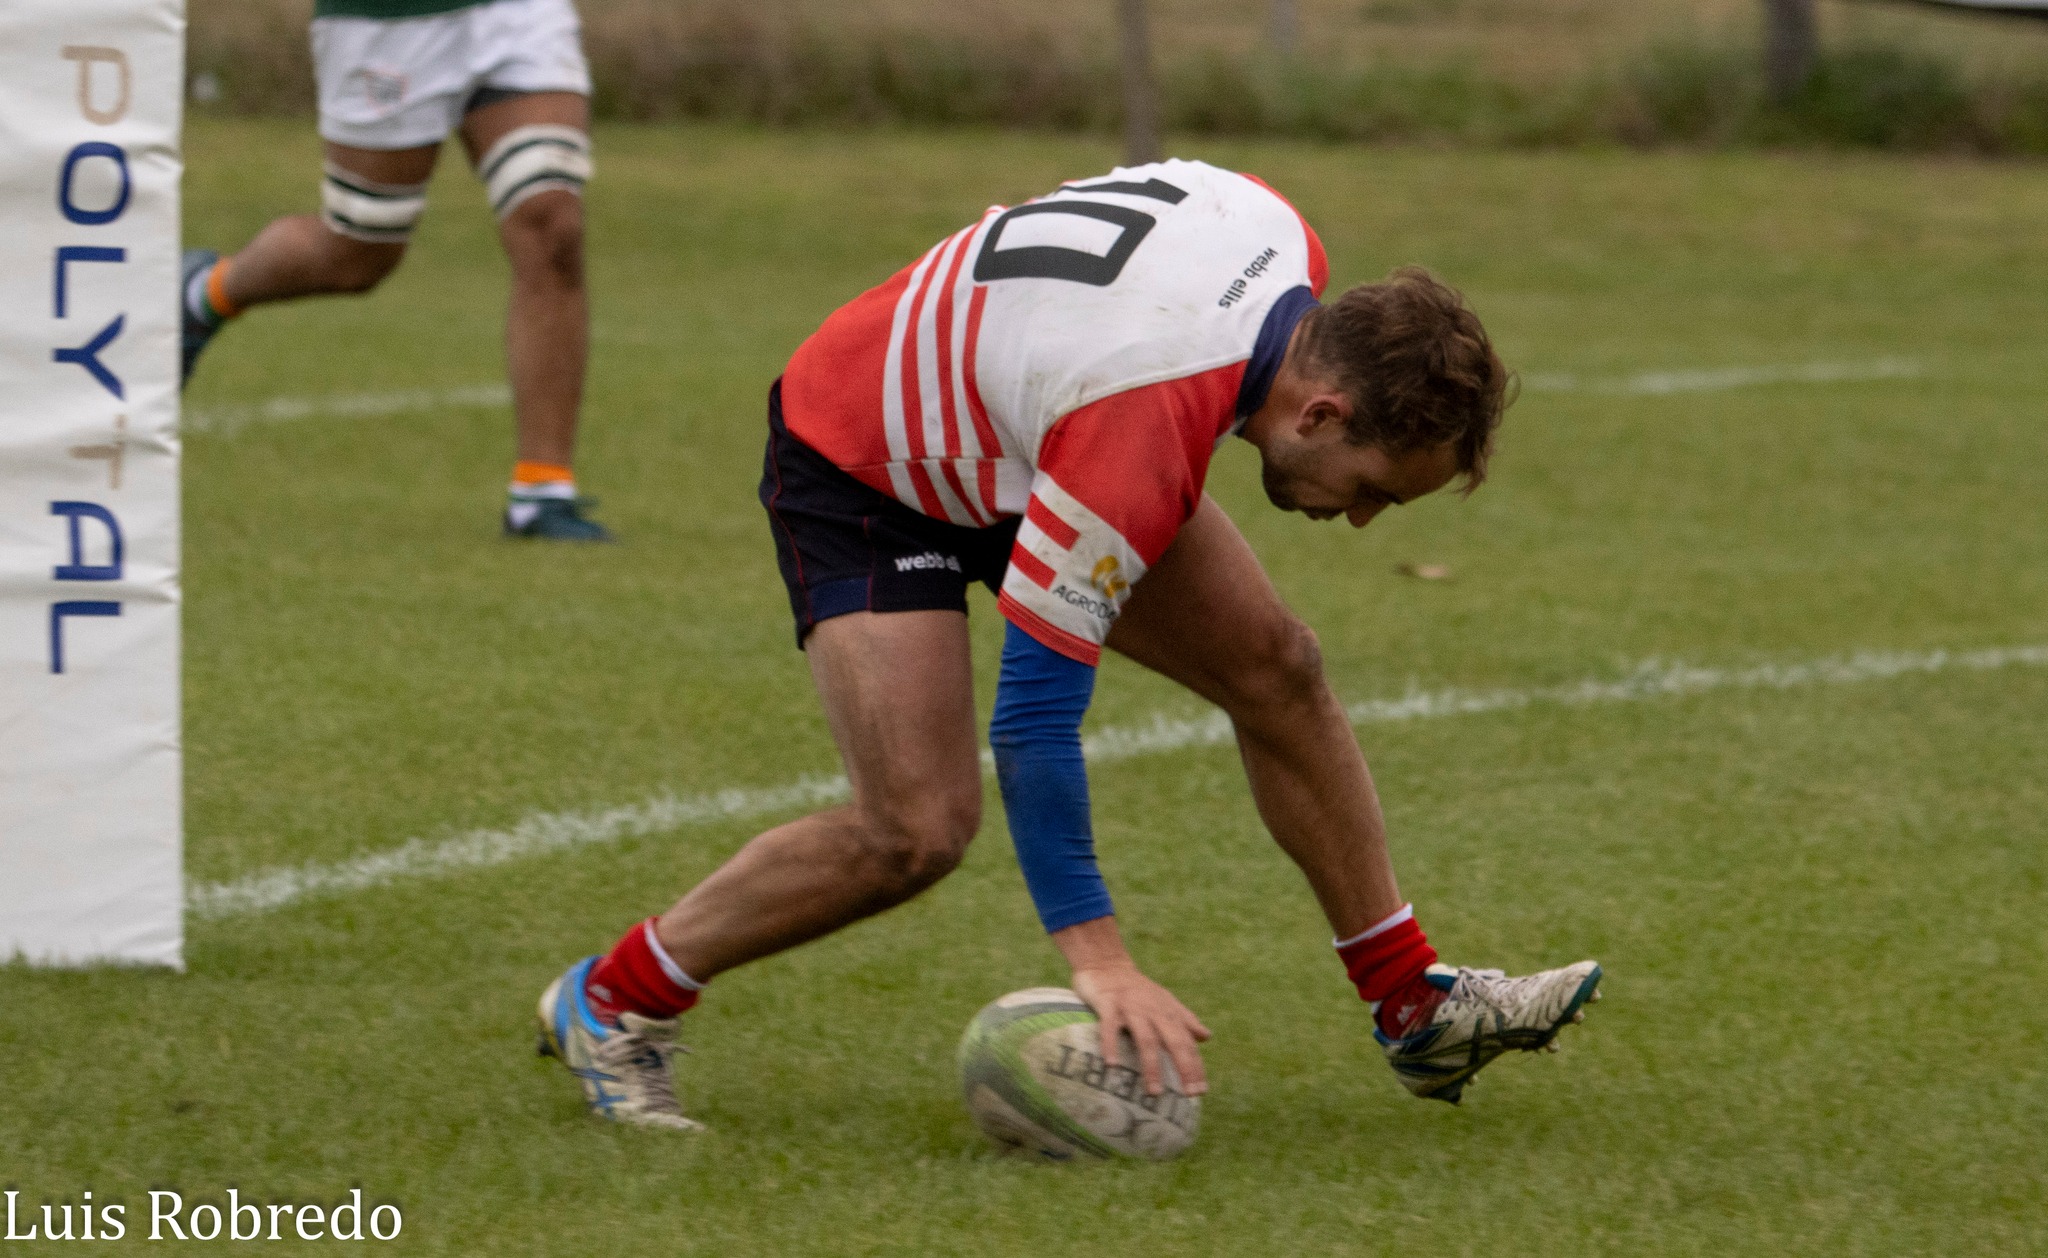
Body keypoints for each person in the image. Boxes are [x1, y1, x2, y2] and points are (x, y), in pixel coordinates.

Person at [536, 160, 1602, 1130]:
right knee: (915, 828)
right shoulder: (1134, 431)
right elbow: (1035, 720)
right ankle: (612, 999)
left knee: (1277, 668)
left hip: (1040, 428)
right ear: (1319, 413)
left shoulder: (1280, 235)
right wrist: (1099, 962)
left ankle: (1412, 1001)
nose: (1361, 519)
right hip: (867, 461)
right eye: (1370, 490)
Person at [180, 0, 610, 541]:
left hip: (517, 15)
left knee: (553, 228)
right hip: (383, 21)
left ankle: (543, 491)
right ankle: (205, 293)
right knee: (358, 251)